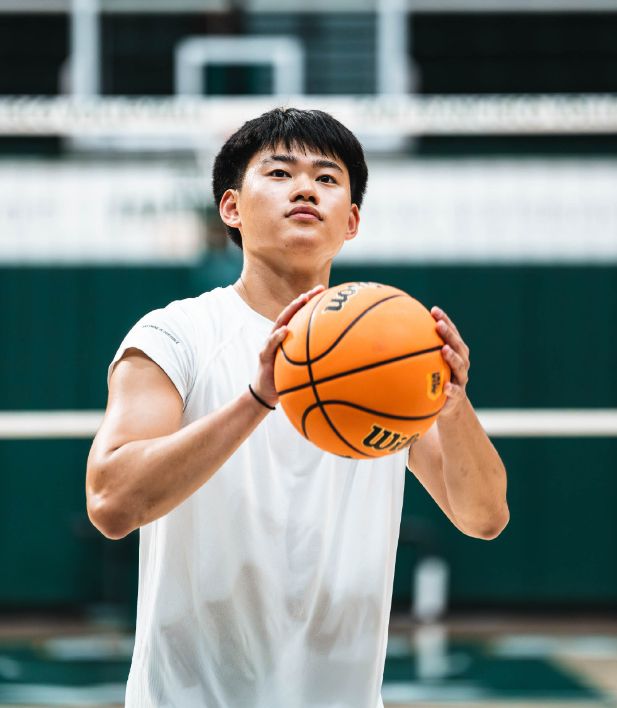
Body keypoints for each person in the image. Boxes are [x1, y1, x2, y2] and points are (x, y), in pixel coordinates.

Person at [86, 107, 509, 708]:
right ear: (231, 207)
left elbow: (485, 517)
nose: (306, 188)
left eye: (327, 178)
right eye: (280, 173)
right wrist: (258, 399)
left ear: (352, 221)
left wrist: (453, 406)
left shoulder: (394, 352)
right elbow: (110, 503)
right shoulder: (174, 335)